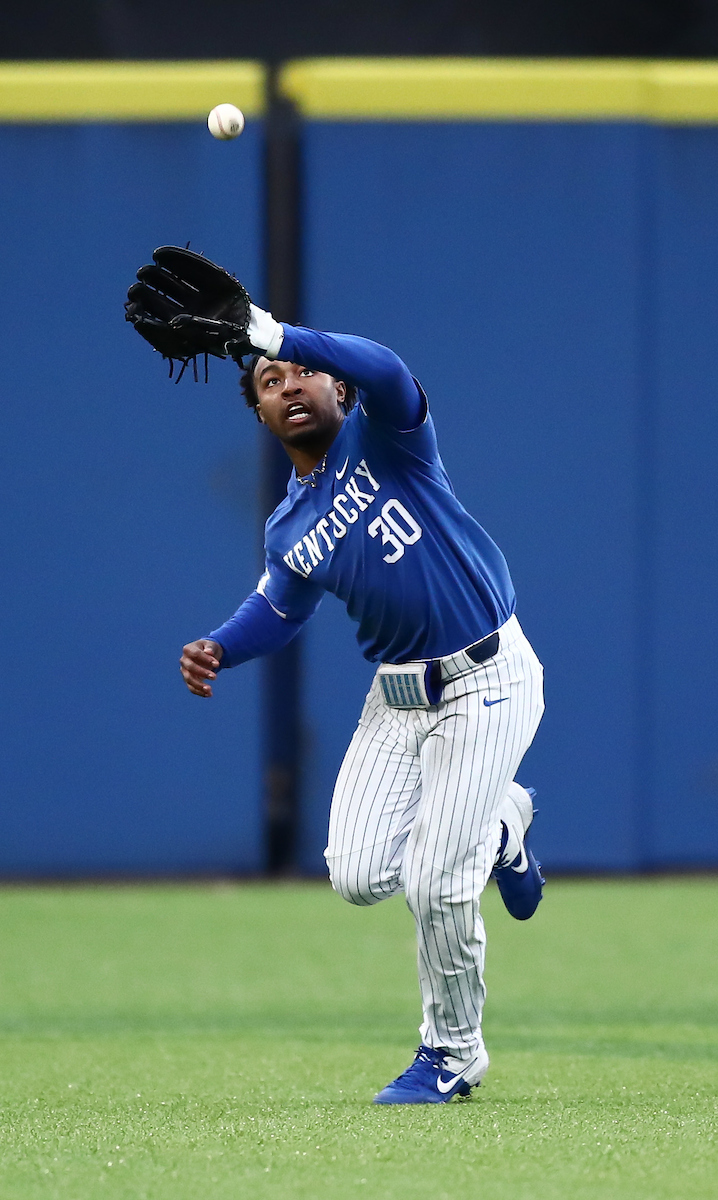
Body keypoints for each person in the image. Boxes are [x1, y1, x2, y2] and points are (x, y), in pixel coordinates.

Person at [178, 306, 545, 1104]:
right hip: (398, 699)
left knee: (437, 883)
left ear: (335, 386)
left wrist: (268, 332)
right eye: (268, 385)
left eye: (300, 372)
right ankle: (503, 823)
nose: (286, 387)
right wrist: (220, 646)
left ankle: (451, 1054)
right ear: (265, 416)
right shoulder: (290, 525)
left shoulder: (388, 437)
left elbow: (383, 364)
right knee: (356, 873)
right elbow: (279, 608)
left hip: (488, 677)